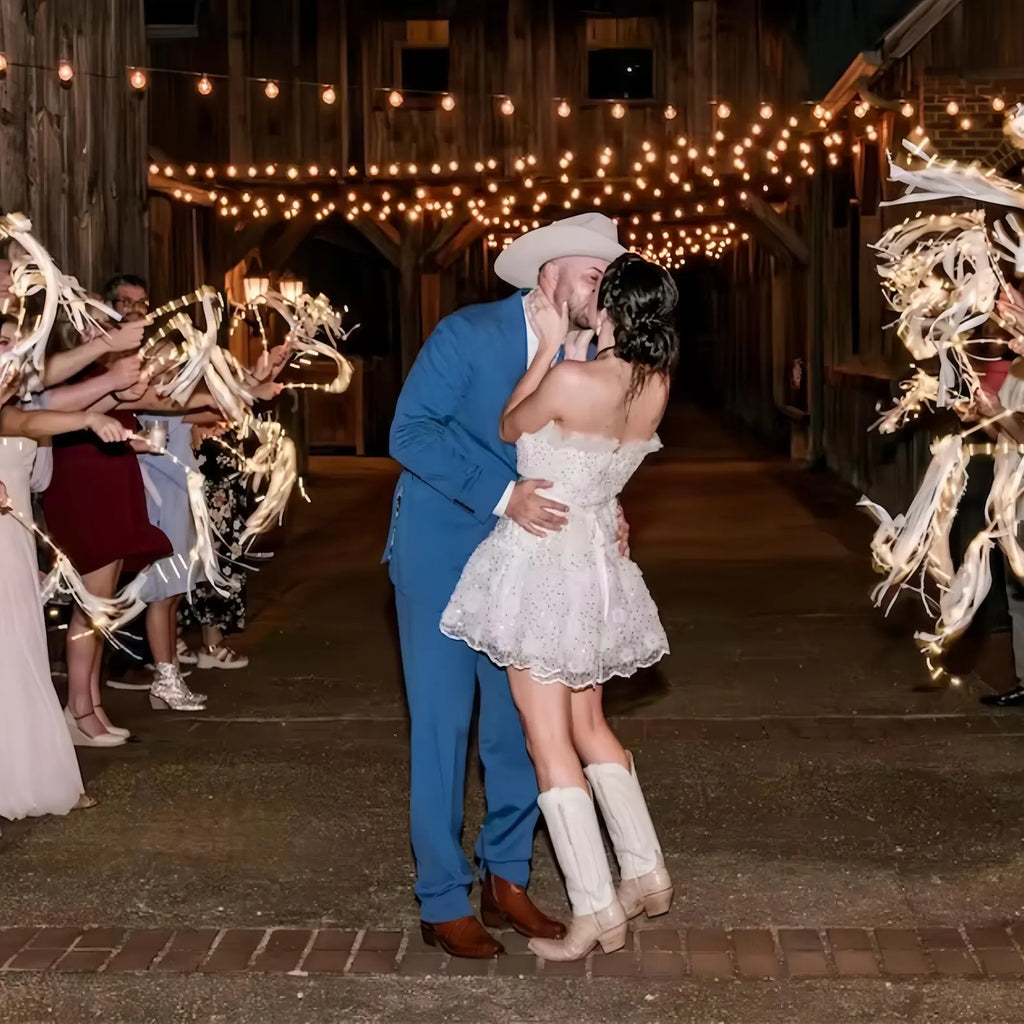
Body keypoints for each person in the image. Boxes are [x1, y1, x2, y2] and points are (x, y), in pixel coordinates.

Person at [385, 213, 628, 959]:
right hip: (442, 551)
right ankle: (441, 898)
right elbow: (409, 432)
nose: (602, 290)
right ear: (549, 272)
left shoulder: (595, 354)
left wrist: (612, 509)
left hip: (537, 565)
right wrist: (503, 496)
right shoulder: (467, 333)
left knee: (523, 729)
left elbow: (594, 450)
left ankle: (508, 878)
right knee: (442, 728)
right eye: (594, 275)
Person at [439, 252, 676, 961]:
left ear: (612, 310)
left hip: (543, 566)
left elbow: (512, 427)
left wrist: (549, 349)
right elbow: (595, 461)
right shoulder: (655, 384)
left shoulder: (571, 377)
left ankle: (596, 910)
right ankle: (646, 873)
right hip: (600, 563)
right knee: (590, 725)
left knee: (549, 746)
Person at [0, 319, 132, 824]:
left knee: (25, 657)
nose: (16, 350)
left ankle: (32, 777)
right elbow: (29, 425)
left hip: (15, 547)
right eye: (7, 340)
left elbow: (28, 424)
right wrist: (86, 421)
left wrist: (93, 419)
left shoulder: (12, 404)